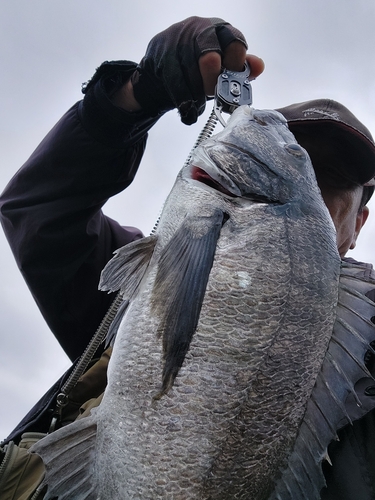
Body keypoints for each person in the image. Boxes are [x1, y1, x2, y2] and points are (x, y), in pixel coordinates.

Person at [0, 16, 374, 500]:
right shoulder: (145, 284)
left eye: (330, 177)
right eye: (296, 155)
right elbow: (44, 212)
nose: (303, 182)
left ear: (358, 225)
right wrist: (132, 98)